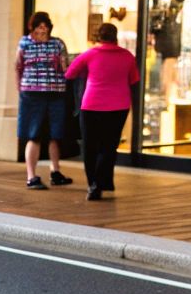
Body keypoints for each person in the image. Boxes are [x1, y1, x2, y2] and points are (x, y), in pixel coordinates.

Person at [64, 22, 139, 201]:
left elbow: (69, 74)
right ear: (116, 36)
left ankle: (94, 184)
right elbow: (134, 80)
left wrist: (87, 74)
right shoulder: (127, 56)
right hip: (119, 107)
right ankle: (103, 182)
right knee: (108, 147)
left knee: (90, 147)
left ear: (99, 37)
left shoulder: (89, 55)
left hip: (92, 106)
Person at [15, 11, 71, 190]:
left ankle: (55, 171)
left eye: (45, 26)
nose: (42, 30)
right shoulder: (24, 42)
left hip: (56, 93)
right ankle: (31, 176)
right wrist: (20, 88)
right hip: (32, 94)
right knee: (34, 134)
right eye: (39, 26)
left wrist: (63, 64)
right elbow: (18, 66)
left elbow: (66, 67)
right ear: (32, 27)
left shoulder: (57, 43)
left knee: (56, 134)